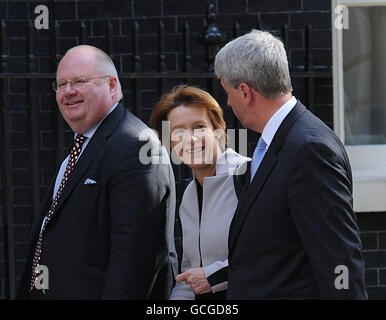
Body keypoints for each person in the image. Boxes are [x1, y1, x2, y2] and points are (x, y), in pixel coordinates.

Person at [214, 30, 368, 299]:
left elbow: (338, 257)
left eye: (227, 93)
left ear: (245, 92)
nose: (227, 102)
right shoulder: (277, 141)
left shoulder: (309, 149)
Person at [17, 45, 177, 299]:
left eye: (80, 81)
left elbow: (133, 263)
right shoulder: (83, 144)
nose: (68, 92)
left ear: (112, 85)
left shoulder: (136, 146)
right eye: (61, 84)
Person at [150, 85, 250, 300]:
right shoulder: (188, 196)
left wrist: (214, 277)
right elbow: (189, 278)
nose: (191, 139)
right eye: (178, 131)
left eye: (198, 127)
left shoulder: (248, 176)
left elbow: (273, 255)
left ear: (218, 130)